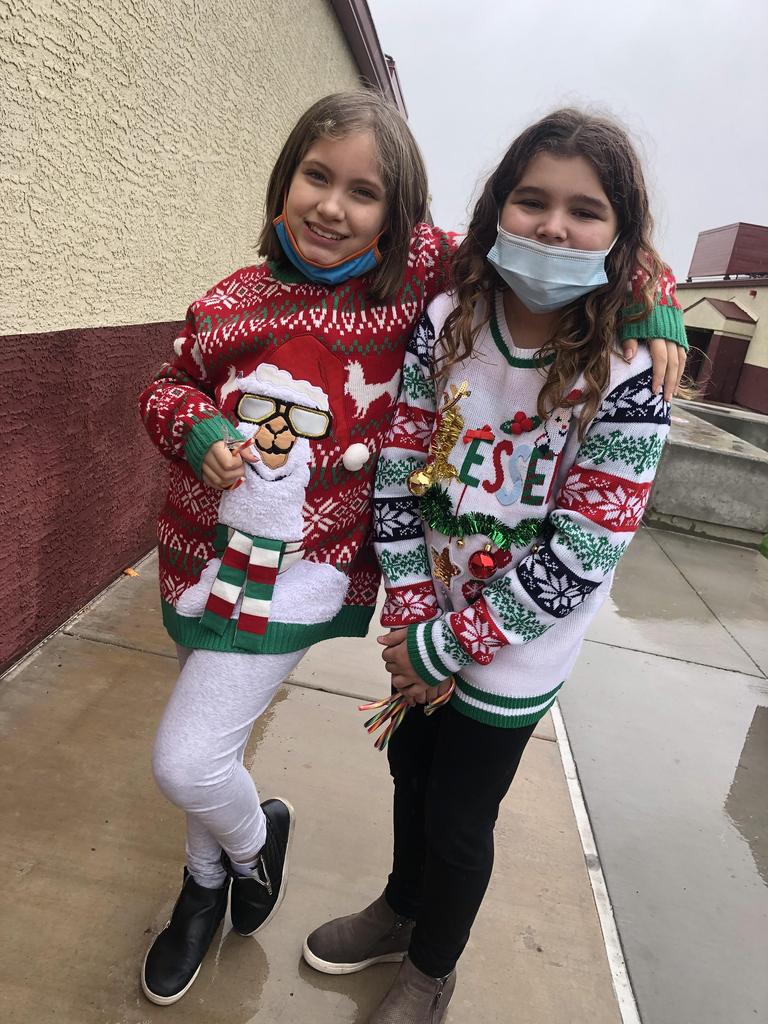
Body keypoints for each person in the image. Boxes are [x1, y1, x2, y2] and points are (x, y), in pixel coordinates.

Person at [138, 91, 686, 1006]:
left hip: (395, 607)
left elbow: (584, 547)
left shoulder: (441, 291)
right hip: (244, 571)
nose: (333, 207)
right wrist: (196, 427)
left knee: (427, 811)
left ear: (399, 218)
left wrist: (655, 296)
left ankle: (386, 942)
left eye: (364, 192)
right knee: (376, 771)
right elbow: (177, 389)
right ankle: (313, 896)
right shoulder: (276, 302)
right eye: (316, 177)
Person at [302, 107, 678, 1023]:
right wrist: (412, 611)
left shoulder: (629, 372)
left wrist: (451, 645)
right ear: (497, 208)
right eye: (531, 200)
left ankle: (432, 969)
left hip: (519, 642)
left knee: (462, 816)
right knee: (411, 771)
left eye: (585, 211)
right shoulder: (447, 321)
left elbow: (584, 548)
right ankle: (401, 906)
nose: (553, 227)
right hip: (428, 613)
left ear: (621, 236)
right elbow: (401, 467)